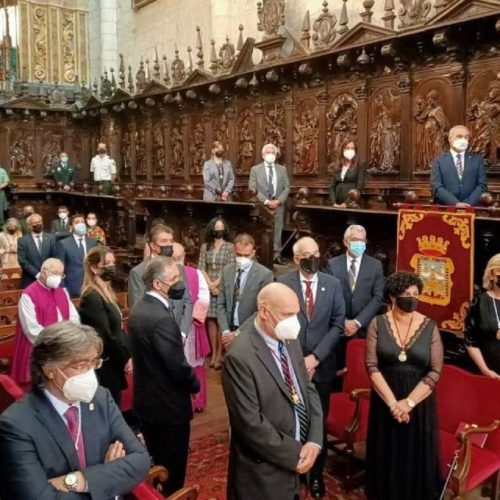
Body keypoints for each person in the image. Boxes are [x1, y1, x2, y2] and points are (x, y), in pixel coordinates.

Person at [0, 321, 150, 499]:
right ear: (49, 370)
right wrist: (108, 478)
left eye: (93, 362)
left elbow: (141, 459)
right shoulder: (16, 424)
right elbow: (38, 497)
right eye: (79, 365)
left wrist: (75, 480)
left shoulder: (101, 398)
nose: (89, 373)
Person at [221, 282, 323, 500]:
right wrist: (295, 453)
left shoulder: (289, 338)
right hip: (263, 471)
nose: (294, 322)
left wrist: (314, 440)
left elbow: (307, 388)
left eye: (296, 314)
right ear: (265, 312)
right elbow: (250, 424)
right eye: (287, 314)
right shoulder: (239, 356)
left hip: (299, 457)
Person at [365, 271, 443, 500]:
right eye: (405, 294)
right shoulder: (377, 323)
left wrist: (407, 403)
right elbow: (371, 366)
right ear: (392, 296)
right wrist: (393, 404)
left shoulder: (430, 326)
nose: (411, 298)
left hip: (418, 402)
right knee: (387, 452)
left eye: (415, 294)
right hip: (385, 399)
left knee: (414, 456)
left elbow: (435, 370)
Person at [278, 236, 345, 497]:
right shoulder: (283, 284)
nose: (314, 257)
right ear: (296, 259)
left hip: (322, 367)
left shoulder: (332, 284)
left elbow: (338, 324)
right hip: (290, 365)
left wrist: (315, 358)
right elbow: (279, 324)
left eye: (317, 252)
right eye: (308, 254)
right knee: (290, 420)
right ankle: (292, 469)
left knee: (318, 421)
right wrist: (298, 361)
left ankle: (315, 475)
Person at [128, 257, 200, 495]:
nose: (179, 283)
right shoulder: (161, 319)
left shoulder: (139, 308)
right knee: (173, 468)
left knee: (158, 462)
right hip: (167, 408)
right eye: (174, 280)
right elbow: (177, 366)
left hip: (147, 402)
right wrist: (194, 384)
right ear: (157, 284)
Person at [326, 224, 384, 384]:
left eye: (362, 240)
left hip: (364, 328)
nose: (359, 244)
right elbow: (329, 296)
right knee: (337, 376)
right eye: (354, 240)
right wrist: (343, 320)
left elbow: (378, 297)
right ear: (345, 241)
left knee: (360, 373)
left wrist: (357, 322)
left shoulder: (375, 265)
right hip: (338, 327)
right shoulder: (333, 264)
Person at [10, 257, 80, 391]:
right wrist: (55, 342)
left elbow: (73, 318)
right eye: (55, 273)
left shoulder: (62, 292)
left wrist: (68, 337)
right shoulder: (28, 295)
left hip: (62, 347)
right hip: (39, 349)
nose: (58, 277)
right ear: (43, 272)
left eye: (61, 274)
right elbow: (31, 330)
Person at [79, 246, 130, 406]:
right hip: (105, 364)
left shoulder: (107, 292)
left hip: (113, 361)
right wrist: (124, 358)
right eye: (107, 263)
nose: (111, 267)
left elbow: (118, 327)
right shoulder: (92, 297)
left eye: (113, 262)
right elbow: (105, 335)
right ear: (95, 268)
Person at [128, 225, 193, 339]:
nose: (168, 244)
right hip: (153, 335)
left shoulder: (179, 268)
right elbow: (137, 310)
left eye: (171, 241)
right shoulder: (138, 272)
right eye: (163, 241)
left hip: (177, 333)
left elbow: (187, 300)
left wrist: (182, 333)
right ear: (153, 245)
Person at [217, 233, 274, 348]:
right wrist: (225, 331)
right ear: (234, 251)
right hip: (229, 329)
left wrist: (238, 333)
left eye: (246, 255)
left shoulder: (265, 275)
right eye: (239, 254)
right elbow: (221, 303)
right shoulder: (227, 271)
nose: (242, 258)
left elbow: (261, 310)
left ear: (253, 253)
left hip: (251, 332)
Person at [173, 242, 210, 411]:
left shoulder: (195, 274)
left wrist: (189, 319)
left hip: (192, 327)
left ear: (184, 256)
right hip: (170, 326)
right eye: (173, 257)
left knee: (194, 364)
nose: (177, 260)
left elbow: (204, 298)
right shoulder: (162, 273)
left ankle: (197, 401)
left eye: (179, 257)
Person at [198, 217, 235, 369]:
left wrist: (216, 284)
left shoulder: (229, 247)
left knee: (221, 320)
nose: (218, 229)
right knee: (210, 320)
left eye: (221, 226)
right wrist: (209, 284)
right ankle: (213, 353)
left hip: (223, 285)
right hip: (208, 285)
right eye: (216, 226)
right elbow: (201, 267)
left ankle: (220, 354)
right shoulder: (205, 246)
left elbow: (230, 266)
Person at [249, 143, 290, 265]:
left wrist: (279, 200)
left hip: (278, 205)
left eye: (273, 152)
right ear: (262, 155)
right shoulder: (255, 169)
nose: (271, 155)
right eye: (268, 152)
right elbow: (252, 188)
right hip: (262, 206)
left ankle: (276, 256)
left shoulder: (282, 169)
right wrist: (266, 201)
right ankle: (262, 256)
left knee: (278, 230)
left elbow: (287, 187)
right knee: (261, 231)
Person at [430, 124, 487, 206]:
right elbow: (436, 186)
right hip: (447, 208)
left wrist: (467, 203)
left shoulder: (477, 160)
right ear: (450, 139)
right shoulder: (438, 161)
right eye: (459, 136)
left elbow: (482, 185)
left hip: (472, 207)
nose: (463, 140)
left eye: (466, 137)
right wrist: (455, 203)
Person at [464, 253, 500, 378]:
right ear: (491, 274)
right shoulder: (479, 303)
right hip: (487, 372)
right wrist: (485, 371)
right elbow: (470, 341)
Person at [55, 214, 97, 298]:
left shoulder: (92, 242)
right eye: (77, 222)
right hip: (72, 289)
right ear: (71, 227)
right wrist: (63, 290)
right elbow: (59, 269)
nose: (80, 224)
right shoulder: (63, 244)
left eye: (82, 222)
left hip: (91, 287)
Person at [17, 213, 57, 288]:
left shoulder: (51, 238)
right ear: (29, 226)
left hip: (49, 278)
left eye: (39, 222)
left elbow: (54, 257)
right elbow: (23, 260)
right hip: (30, 280)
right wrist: (37, 274)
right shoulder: (23, 240)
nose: (38, 224)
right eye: (35, 223)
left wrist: (47, 273)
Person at [328, 141, 366, 207]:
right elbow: (332, 186)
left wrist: (346, 203)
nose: (350, 150)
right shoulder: (337, 165)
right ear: (343, 150)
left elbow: (359, 188)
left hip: (352, 204)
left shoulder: (360, 165)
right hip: (336, 203)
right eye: (348, 148)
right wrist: (333, 203)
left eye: (352, 148)